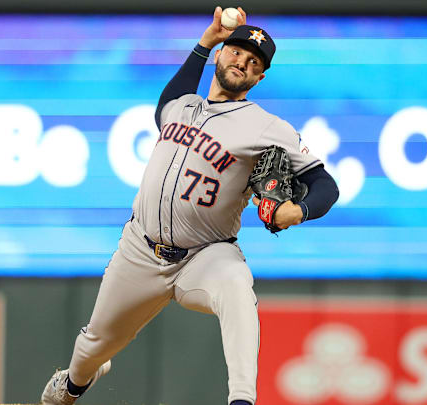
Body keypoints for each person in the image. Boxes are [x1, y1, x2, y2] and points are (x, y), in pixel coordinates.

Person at [41, 6, 339, 405]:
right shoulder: (182, 107)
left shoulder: (267, 127)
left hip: (205, 254)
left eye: (253, 63)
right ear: (221, 55)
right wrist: (205, 41)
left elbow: (325, 184)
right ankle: (74, 384)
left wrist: (296, 211)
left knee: (237, 288)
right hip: (140, 251)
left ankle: (242, 399)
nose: (243, 62)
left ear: (259, 77)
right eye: (236, 52)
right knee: (93, 346)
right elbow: (165, 101)